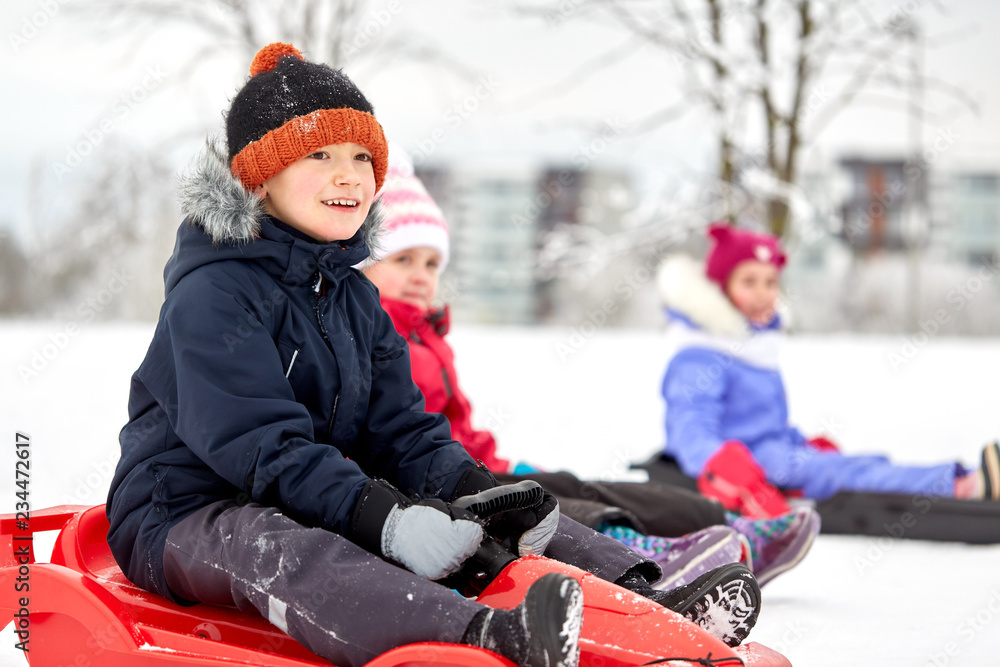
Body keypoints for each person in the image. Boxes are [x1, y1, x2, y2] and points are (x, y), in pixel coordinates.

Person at [105, 42, 763, 667]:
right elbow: (262, 446)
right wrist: (383, 519)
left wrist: (483, 493)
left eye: (363, 157)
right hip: (185, 510)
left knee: (485, 517)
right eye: (319, 155)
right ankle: (484, 636)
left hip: (307, 492)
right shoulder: (214, 293)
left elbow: (403, 434)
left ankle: (646, 593)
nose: (348, 174)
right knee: (283, 548)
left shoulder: (352, 298)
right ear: (261, 174)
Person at [361, 145, 820, 588]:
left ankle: (726, 527)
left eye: (431, 261)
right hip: (423, 487)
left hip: (461, 466)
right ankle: (642, 555)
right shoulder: (369, 333)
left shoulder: (426, 336)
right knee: (546, 503)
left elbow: (452, 426)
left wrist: (498, 460)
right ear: (365, 265)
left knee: (570, 483)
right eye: (403, 259)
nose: (422, 274)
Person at [656, 222, 1000, 516]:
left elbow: (761, 423)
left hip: (773, 455)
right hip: (751, 468)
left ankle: (961, 478)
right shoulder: (699, 356)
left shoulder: (755, 348)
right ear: (721, 288)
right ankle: (960, 486)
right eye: (749, 282)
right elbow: (691, 433)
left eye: (770, 282)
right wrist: (727, 471)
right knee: (849, 473)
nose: (763, 294)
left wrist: (799, 442)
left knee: (857, 465)